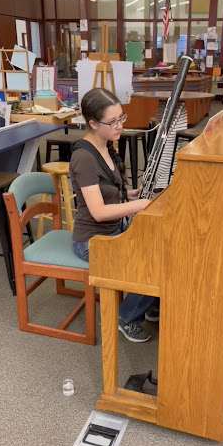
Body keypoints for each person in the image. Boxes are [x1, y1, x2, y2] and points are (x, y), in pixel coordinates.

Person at [70, 88, 159, 343]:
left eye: (122, 117)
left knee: (159, 247)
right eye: (113, 122)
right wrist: (139, 205)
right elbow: (97, 212)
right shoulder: (84, 157)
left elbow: (107, 193)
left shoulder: (106, 146)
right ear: (93, 124)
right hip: (91, 241)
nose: (120, 125)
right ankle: (126, 317)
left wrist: (130, 195)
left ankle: (146, 301)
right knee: (152, 264)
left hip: (112, 230)